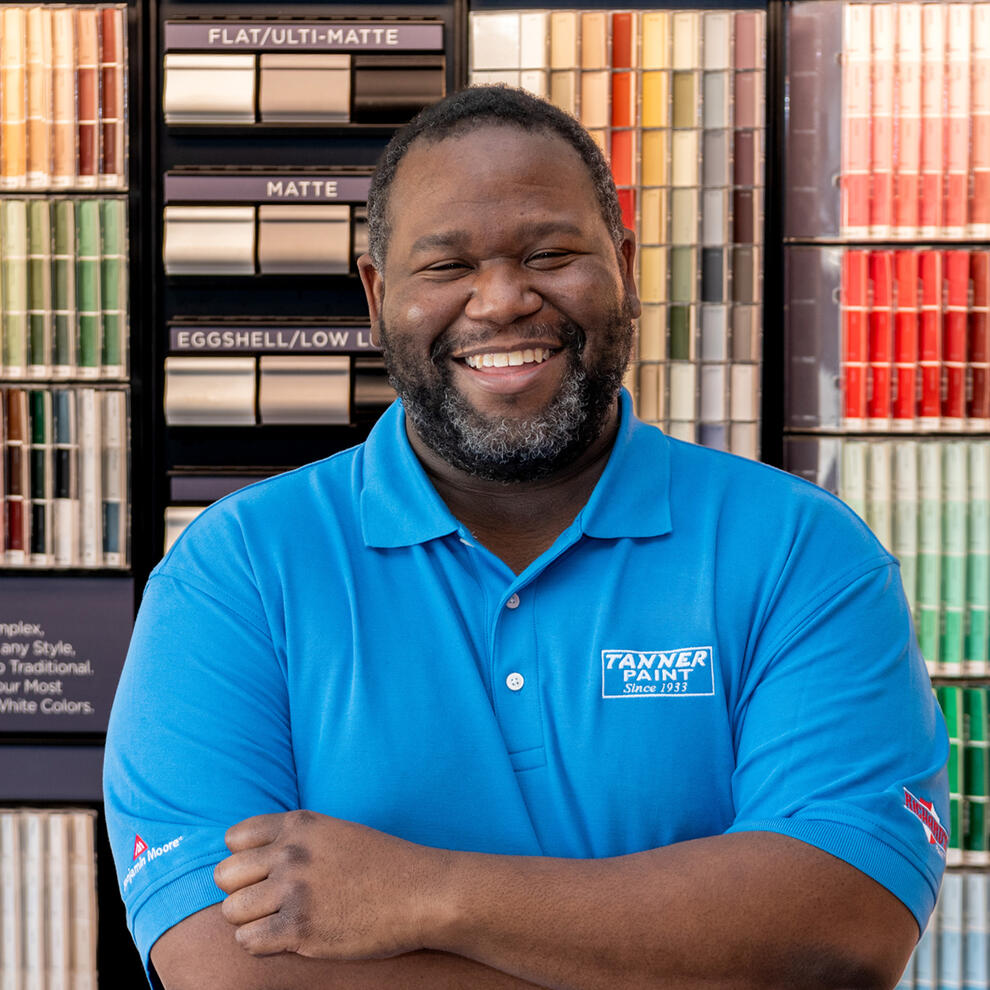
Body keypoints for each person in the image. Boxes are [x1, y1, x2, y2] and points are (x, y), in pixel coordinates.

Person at [104, 86, 948, 990]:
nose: (503, 301)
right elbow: (231, 972)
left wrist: (428, 892)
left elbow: (840, 930)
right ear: (378, 294)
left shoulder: (801, 553)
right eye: (446, 266)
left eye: (551, 254)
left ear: (624, 265)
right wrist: (696, 954)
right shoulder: (236, 572)